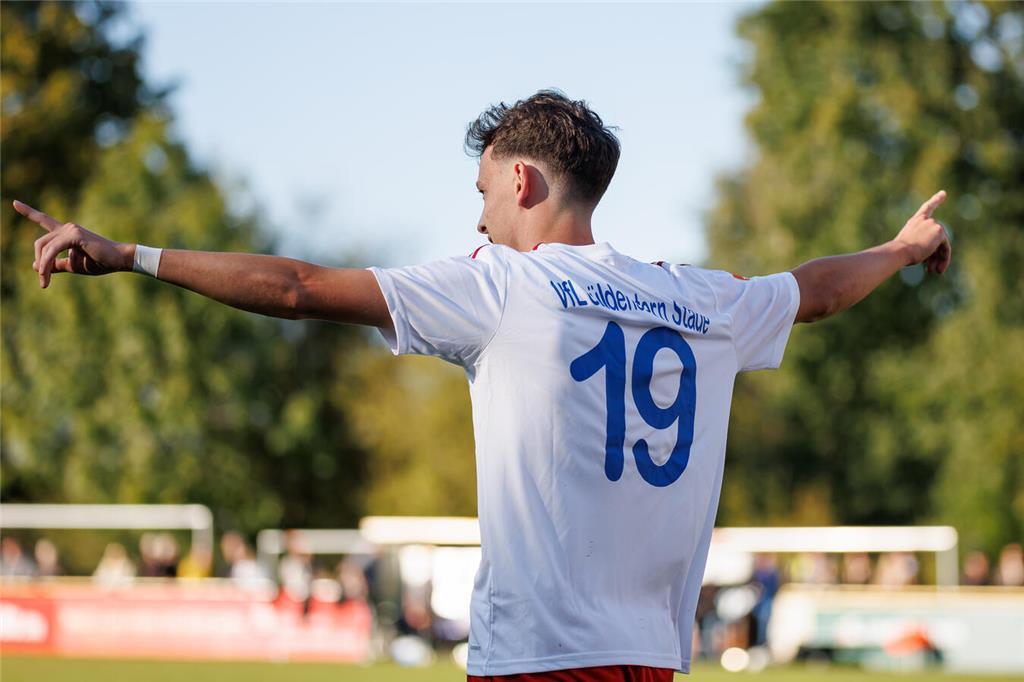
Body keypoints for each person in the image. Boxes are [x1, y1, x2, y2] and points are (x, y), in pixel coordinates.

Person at [14, 89, 952, 680]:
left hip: (539, 659)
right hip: (654, 659)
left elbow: (297, 288)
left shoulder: (499, 288)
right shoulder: (699, 299)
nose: (481, 214)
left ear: (526, 182)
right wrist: (903, 248)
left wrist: (131, 254)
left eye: (484, 193)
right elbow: (818, 293)